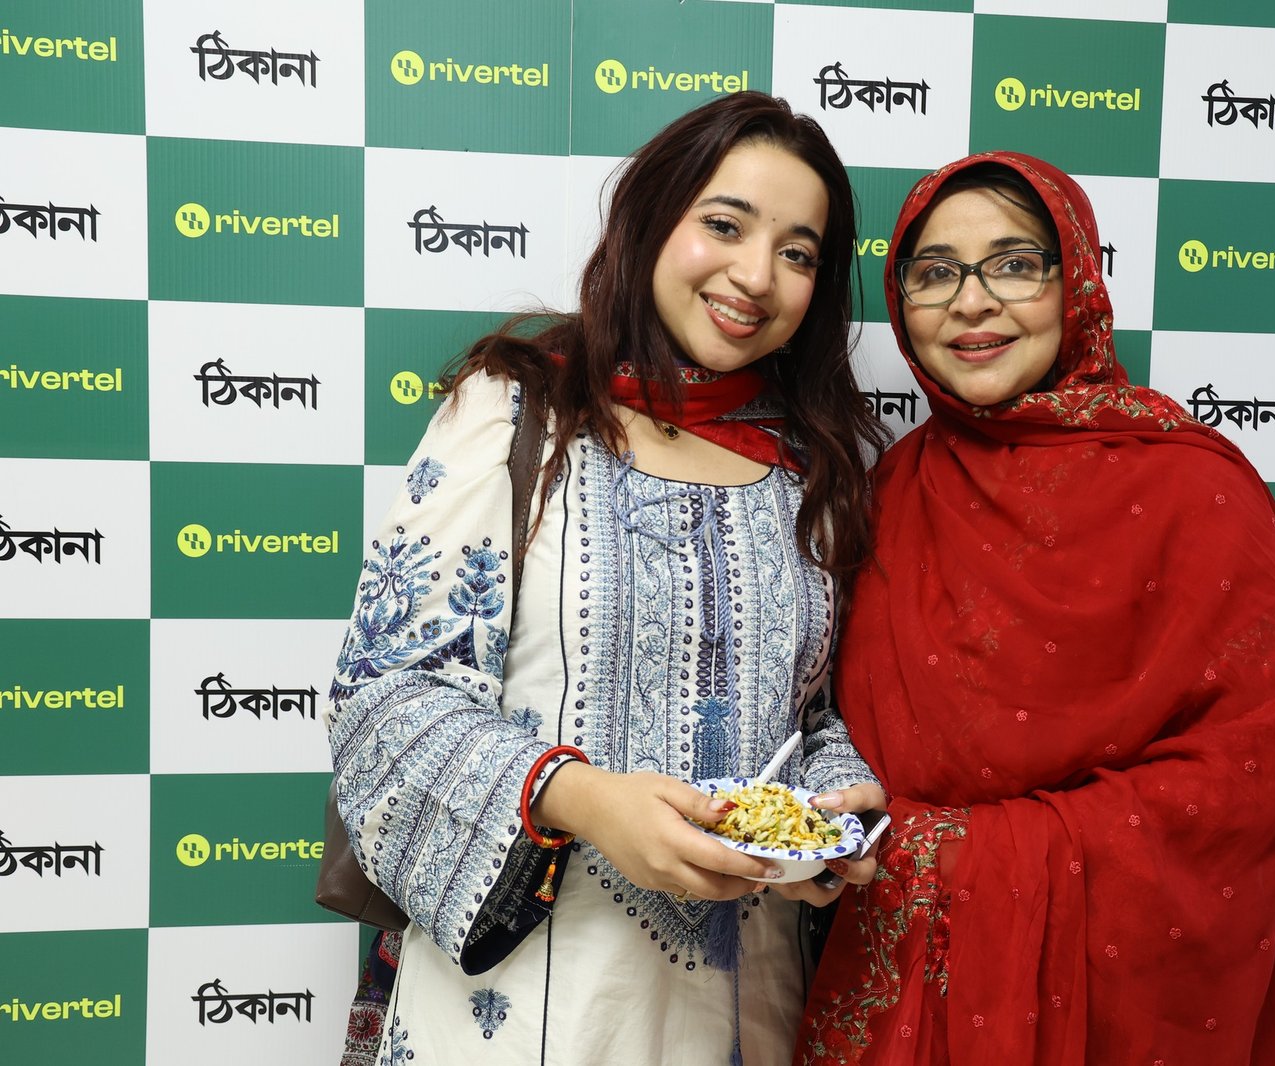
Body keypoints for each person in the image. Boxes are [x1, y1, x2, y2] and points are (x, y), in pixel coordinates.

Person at [326, 91, 888, 1066]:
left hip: (742, 1010)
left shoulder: (813, 471)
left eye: (797, 253)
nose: (756, 276)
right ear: (651, 218)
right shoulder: (517, 415)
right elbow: (383, 698)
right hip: (523, 1014)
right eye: (725, 225)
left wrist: (832, 811)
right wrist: (583, 798)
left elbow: (806, 715)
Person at [794, 152, 1275, 1065]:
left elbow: (1252, 771)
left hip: (1124, 1004)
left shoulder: (1194, 490)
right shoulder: (885, 496)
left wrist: (966, 853)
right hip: (913, 986)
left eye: (1013, 264)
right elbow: (830, 723)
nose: (971, 302)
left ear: (1074, 279)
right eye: (935, 273)